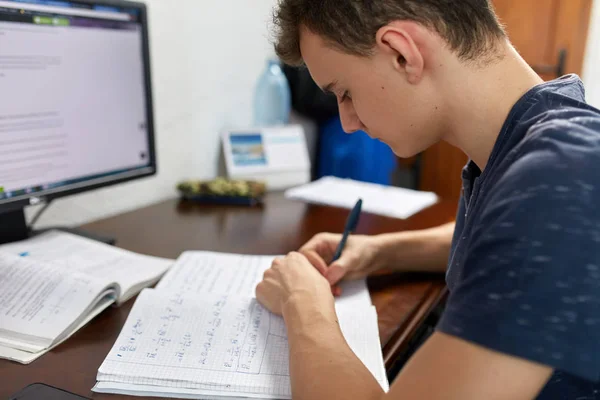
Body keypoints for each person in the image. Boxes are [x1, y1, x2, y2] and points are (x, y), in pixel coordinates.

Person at [255, 0, 600, 399]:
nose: (348, 122)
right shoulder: (543, 138)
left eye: (345, 92)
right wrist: (379, 251)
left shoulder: (559, 177)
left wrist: (304, 303)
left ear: (402, 53)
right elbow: (512, 247)